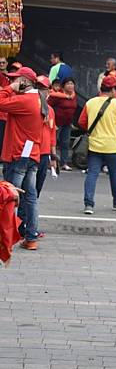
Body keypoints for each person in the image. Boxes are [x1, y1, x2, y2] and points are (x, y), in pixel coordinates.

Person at [0, 67, 45, 250]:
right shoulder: (39, 100)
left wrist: (10, 89)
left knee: (11, 196)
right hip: (32, 153)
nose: (12, 82)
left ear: (25, 81)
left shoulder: (26, 100)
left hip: (18, 153)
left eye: (16, 79)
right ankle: (31, 236)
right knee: (30, 197)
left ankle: (7, 237)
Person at [78, 76, 116, 215]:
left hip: (94, 145)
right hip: (113, 146)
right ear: (113, 89)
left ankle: (89, 204)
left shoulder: (90, 103)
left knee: (92, 174)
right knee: (115, 175)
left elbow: (82, 122)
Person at [48, 77, 77, 171]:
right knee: (53, 143)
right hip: (56, 123)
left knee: (65, 143)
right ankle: (51, 161)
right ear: (63, 86)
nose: (70, 86)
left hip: (67, 123)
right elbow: (48, 106)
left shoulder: (73, 96)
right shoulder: (57, 96)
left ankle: (64, 163)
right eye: (68, 84)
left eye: (72, 84)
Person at [34, 76, 57, 198]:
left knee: (37, 187)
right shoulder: (30, 105)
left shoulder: (50, 111)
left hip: (44, 153)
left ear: (49, 91)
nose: (40, 91)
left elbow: (52, 133)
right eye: (38, 88)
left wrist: (53, 157)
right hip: (31, 152)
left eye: (43, 88)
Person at [0, 56, 9, 161]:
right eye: (0, 63)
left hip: (8, 113)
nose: (1, 64)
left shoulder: (10, 76)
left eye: (3, 63)